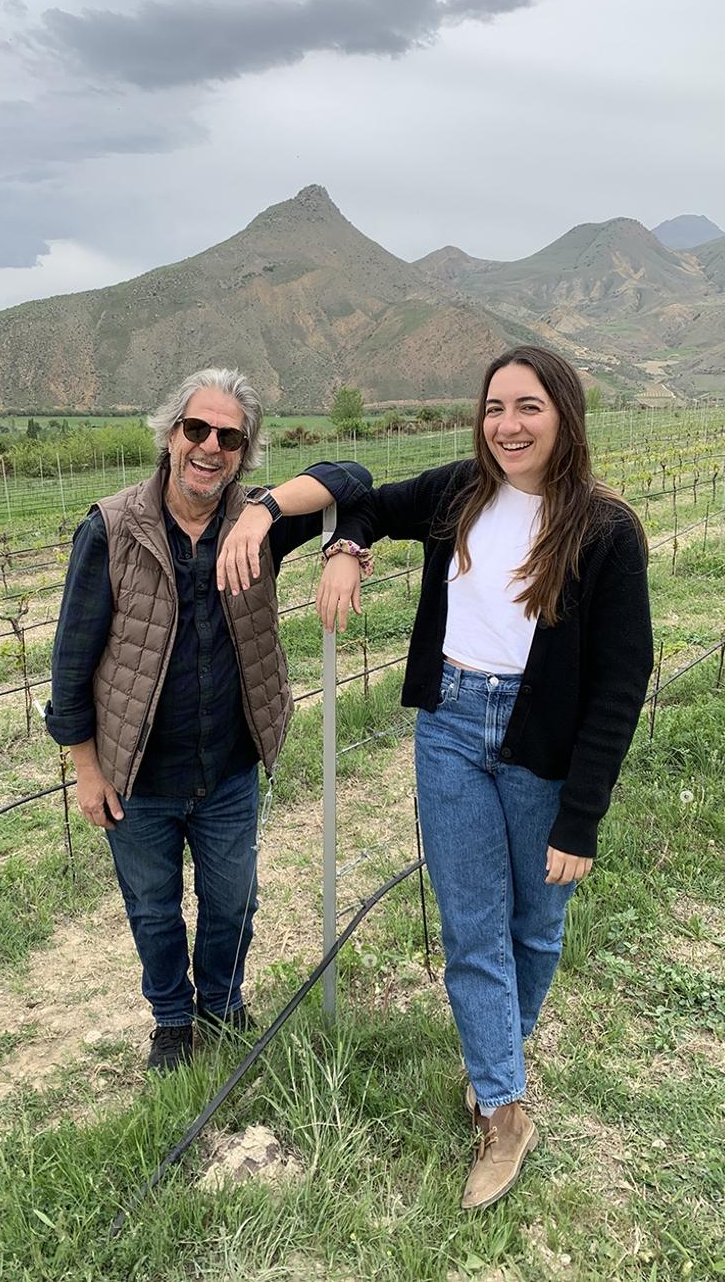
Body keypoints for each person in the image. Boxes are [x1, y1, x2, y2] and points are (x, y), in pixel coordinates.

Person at [306, 346, 652, 1207]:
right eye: (495, 407)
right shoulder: (458, 491)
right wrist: (345, 547)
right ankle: (502, 1108)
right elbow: (369, 502)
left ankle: (496, 1051)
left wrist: (580, 817)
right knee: (471, 926)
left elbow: (620, 683)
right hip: (452, 725)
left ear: (563, 415)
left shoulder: (605, 530)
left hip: (543, 743)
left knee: (536, 923)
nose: (508, 424)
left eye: (528, 406)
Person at [45, 367, 371, 1071]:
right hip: (137, 773)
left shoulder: (256, 525)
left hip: (227, 768)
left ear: (244, 453)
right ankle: (170, 1018)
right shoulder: (111, 529)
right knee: (152, 907)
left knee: (232, 903)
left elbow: (354, 478)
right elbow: (71, 661)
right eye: (197, 429)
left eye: (230, 437)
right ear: (171, 435)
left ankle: (221, 1005)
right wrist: (86, 769)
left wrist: (269, 514)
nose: (210, 447)